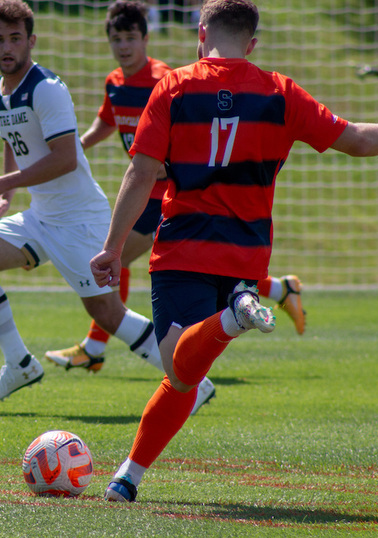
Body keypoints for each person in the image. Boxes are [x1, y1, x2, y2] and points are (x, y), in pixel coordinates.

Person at [89, 0, 378, 502]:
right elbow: (352, 139)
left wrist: (111, 248)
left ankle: (235, 319)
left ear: (201, 33)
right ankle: (128, 477)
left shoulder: (171, 87)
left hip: (184, 247)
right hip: (246, 254)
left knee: (177, 367)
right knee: (184, 377)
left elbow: (141, 172)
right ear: (252, 42)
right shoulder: (281, 93)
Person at [45, 0, 305, 390]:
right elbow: (107, 121)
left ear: (145, 39)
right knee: (128, 261)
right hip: (146, 194)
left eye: (130, 38)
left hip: (169, 195)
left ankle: (96, 346)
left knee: (114, 260)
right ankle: (279, 288)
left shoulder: (165, 80)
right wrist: (76, 148)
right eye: (116, 39)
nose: (123, 46)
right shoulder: (115, 82)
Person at [0, 0, 163, 405]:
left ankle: (190, 381)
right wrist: (8, 196)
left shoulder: (45, 89)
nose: (7, 47)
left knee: (107, 315)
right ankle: (20, 365)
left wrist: (5, 184)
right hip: (40, 217)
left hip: (80, 221)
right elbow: (14, 142)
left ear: (31, 41)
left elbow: (66, 159)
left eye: (16, 38)